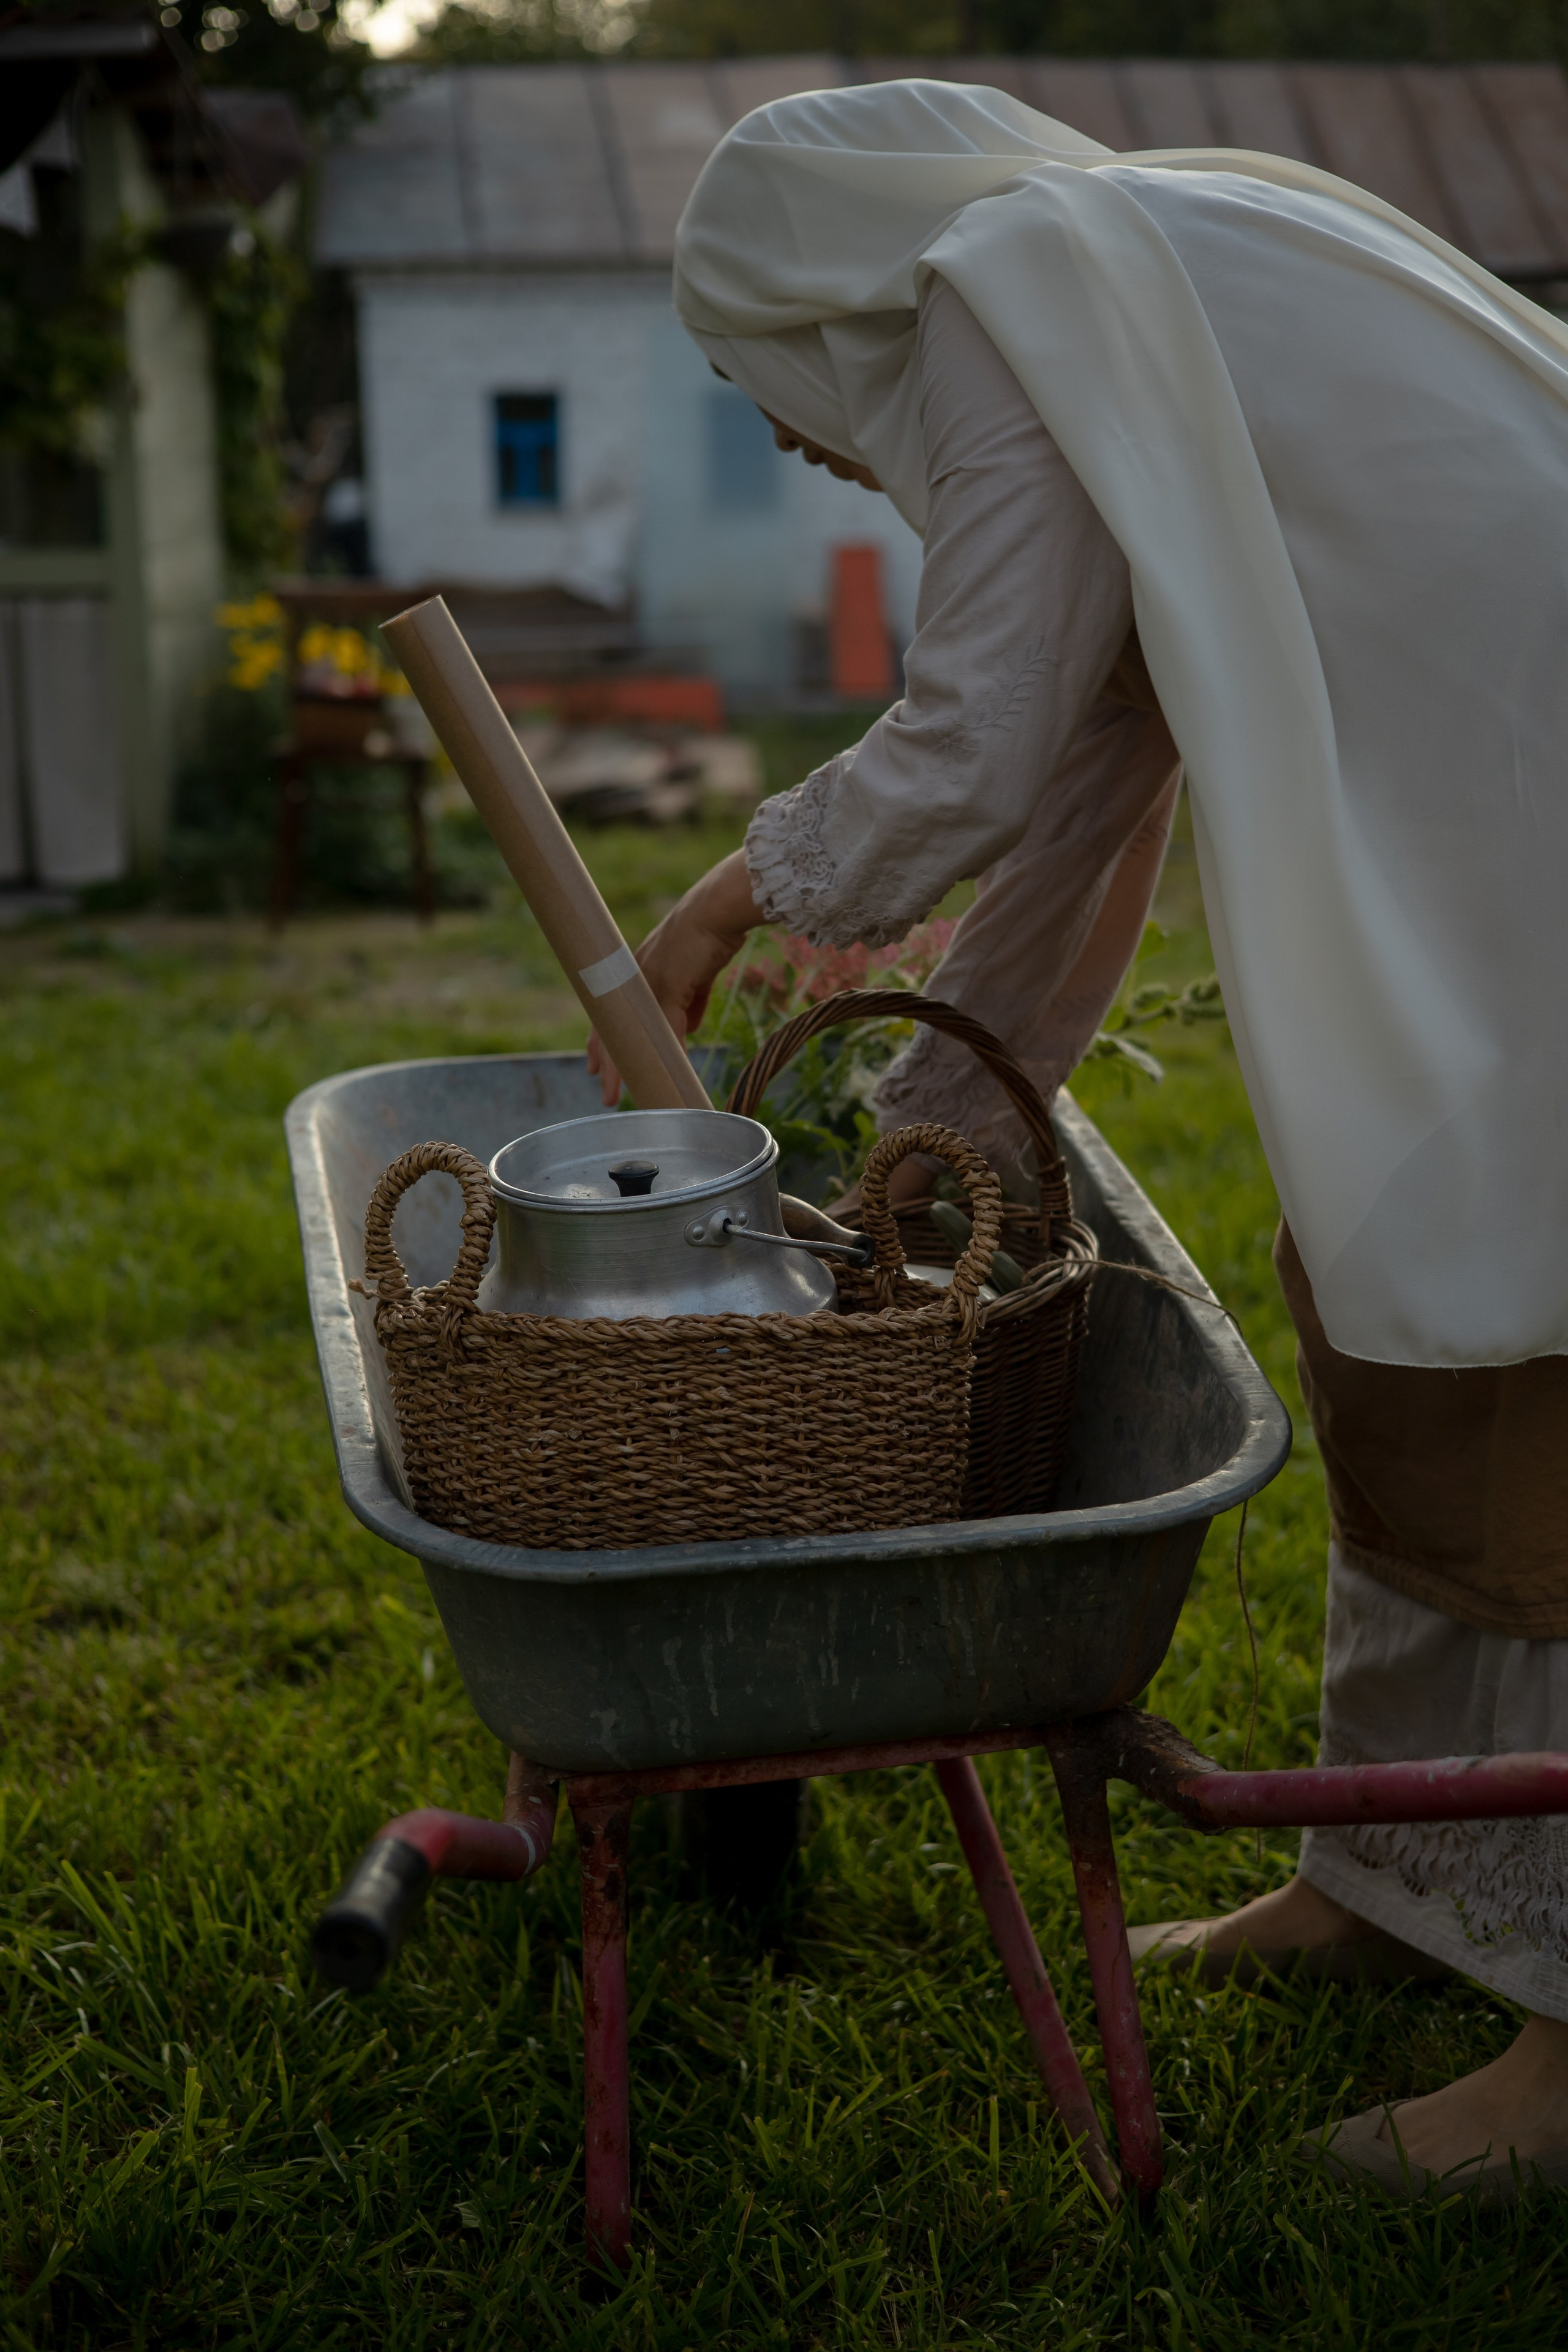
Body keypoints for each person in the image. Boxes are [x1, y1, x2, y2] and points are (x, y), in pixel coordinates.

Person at [586, 78, 1568, 2196]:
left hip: (1527, 787)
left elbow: (981, 732)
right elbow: (1095, 768)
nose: (783, 438)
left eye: (761, 383)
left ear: (815, 305)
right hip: (1470, 799)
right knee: (1400, 1282)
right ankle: (1402, 1884)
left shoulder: (1014, 286)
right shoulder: (1122, 278)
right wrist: (950, 1120)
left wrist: (720, 894)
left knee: (1545, 1338)